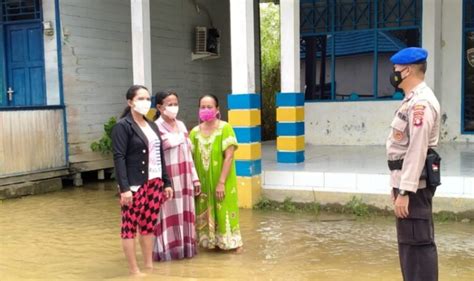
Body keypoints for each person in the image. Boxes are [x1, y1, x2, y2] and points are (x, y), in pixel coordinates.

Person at [386, 47, 441, 281]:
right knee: (410, 247)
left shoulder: (421, 103)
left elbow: (417, 150)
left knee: (417, 247)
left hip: (415, 188)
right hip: (409, 185)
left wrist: (405, 190)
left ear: (407, 70)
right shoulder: (411, 100)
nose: (394, 73)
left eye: (396, 69)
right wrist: (397, 187)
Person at [112, 85, 174, 276]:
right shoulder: (123, 126)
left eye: (148, 99)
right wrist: (124, 188)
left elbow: (159, 155)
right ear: (130, 102)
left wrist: (167, 182)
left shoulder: (152, 125)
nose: (145, 102)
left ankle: (149, 266)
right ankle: (134, 270)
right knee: (129, 227)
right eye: (141, 99)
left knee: (148, 226)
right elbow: (119, 157)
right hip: (134, 184)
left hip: (154, 182)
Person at [189, 94, 243, 252]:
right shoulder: (194, 132)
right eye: (202, 107)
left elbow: (229, 156)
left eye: (209, 107)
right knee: (204, 210)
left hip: (223, 179)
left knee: (224, 208)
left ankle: (234, 243)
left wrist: (221, 183)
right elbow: (189, 159)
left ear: (217, 109)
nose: (205, 110)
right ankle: (211, 241)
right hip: (202, 183)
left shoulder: (225, 128)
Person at [152, 90, 200, 261]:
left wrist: (195, 178)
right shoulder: (155, 127)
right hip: (168, 180)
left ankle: (184, 250)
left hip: (185, 178)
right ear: (159, 107)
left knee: (185, 213)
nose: (173, 107)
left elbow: (189, 154)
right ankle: (165, 253)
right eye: (169, 104)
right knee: (167, 215)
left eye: (175, 104)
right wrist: (163, 183)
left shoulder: (181, 125)